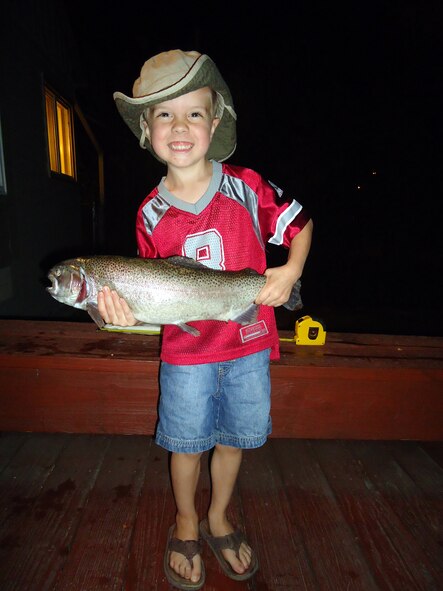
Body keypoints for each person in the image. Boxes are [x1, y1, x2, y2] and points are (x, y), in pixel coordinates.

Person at [98, 49, 313, 590]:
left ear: (214, 123)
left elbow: (302, 224)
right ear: (147, 130)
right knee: (186, 444)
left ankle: (219, 515)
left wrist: (290, 272)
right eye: (164, 114)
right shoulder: (148, 212)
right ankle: (186, 520)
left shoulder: (247, 186)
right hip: (187, 357)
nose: (180, 126)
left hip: (248, 344)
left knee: (234, 439)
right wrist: (116, 317)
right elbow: (154, 304)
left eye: (194, 113)